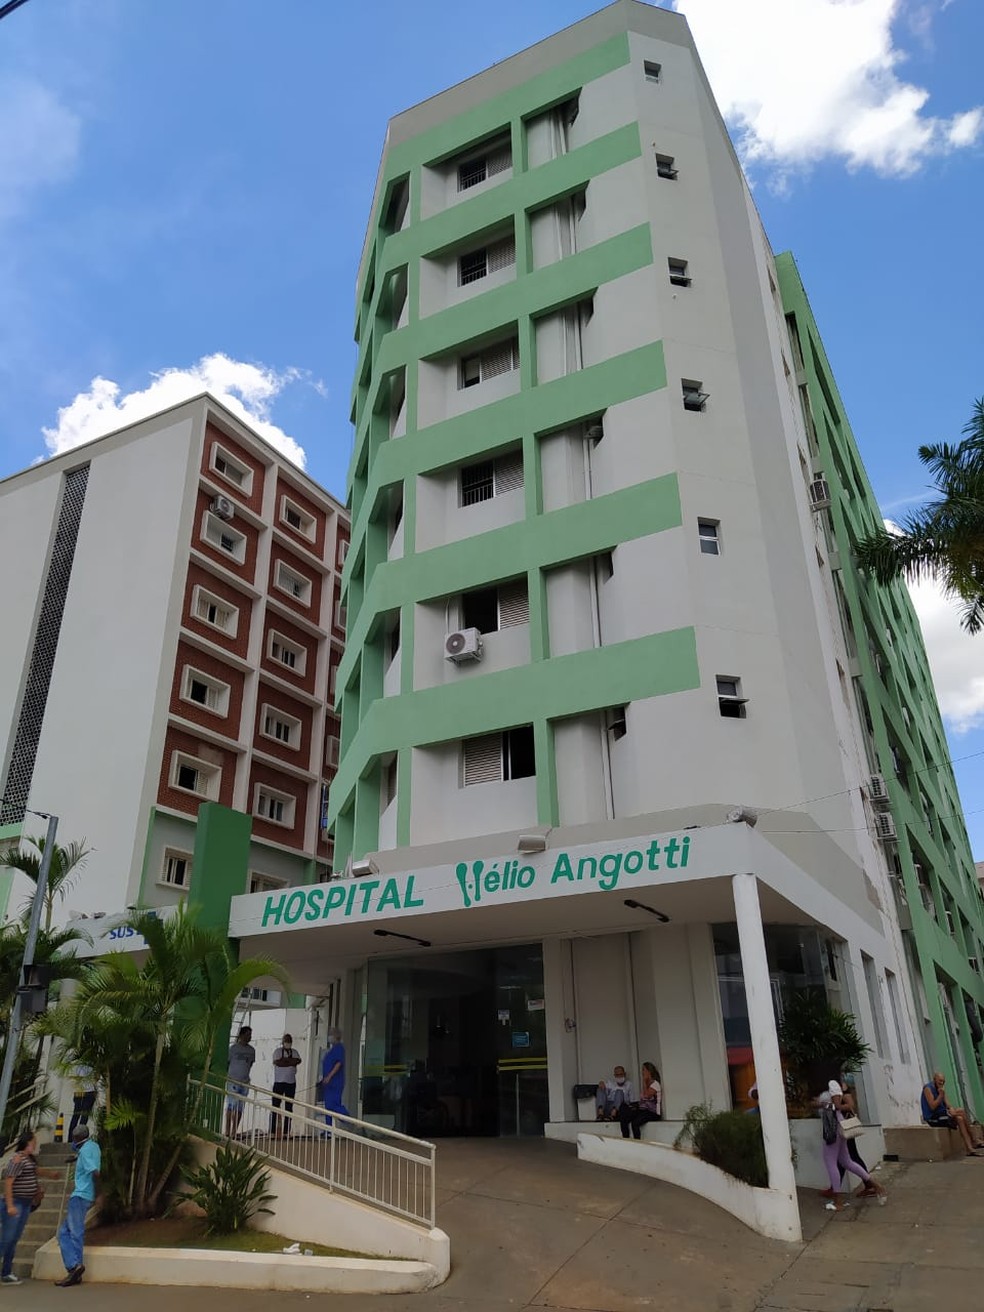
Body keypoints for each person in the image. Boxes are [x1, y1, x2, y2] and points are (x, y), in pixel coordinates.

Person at [2, 1130, 62, 1285]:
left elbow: (36, 1171)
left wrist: (51, 1175)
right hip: (16, 1203)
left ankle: (6, 1272)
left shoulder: (29, 1160)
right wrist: (9, 1205)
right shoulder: (18, 1159)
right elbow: (8, 1182)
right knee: (7, 1239)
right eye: (33, 1142)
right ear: (26, 1143)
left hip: (26, 1204)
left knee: (13, 1239)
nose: (35, 1144)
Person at [818, 1081, 886, 1211]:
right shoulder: (833, 1084)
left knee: (831, 1162)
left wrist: (824, 1105)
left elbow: (837, 1105)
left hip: (833, 1125)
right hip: (838, 1124)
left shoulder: (833, 1084)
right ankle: (875, 1184)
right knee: (846, 1161)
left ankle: (838, 1201)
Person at [55, 1124, 101, 1287]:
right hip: (85, 1195)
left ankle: (75, 1267)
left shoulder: (84, 1150)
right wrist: (75, 1158)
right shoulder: (93, 1146)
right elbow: (88, 1156)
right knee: (63, 1233)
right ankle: (74, 1270)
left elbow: (94, 1171)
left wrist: (99, 1193)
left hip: (81, 1195)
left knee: (74, 1233)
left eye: (74, 1138)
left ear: (78, 1139)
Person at [920, 1071, 983, 1157]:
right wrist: (940, 1096)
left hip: (943, 1115)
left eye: (943, 1081)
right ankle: (974, 1139)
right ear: (934, 1080)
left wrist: (952, 1109)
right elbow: (932, 1106)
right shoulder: (928, 1088)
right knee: (961, 1111)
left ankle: (969, 1148)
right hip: (933, 1118)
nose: (941, 1083)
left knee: (960, 1119)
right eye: (940, 1081)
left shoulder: (941, 1089)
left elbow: (948, 1104)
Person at [224, 1025, 256, 1138]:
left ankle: (234, 1131)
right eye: (247, 1035)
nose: (249, 1037)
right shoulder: (233, 1048)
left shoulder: (251, 1050)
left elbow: (250, 1064)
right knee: (231, 1105)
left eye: (250, 1035)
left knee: (240, 1107)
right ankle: (227, 1130)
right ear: (241, 1035)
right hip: (233, 1080)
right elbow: (227, 1063)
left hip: (245, 1082)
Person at [619, 1062, 662, 1140]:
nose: (642, 1072)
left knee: (635, 1123)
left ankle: (637, 1143)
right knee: (624, 1116)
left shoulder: (655, 1084)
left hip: (652, 1112)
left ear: (649, 1071)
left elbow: (647, 1095)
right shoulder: (647, 1083)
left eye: (643, 1070)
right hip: (643, 1109)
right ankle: (625, 1138)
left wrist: (644, 1081)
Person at [270, 1033, 301, 1137]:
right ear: (283, 1041)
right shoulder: (278, 1051)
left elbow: (298, 1060)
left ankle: (286, 1132)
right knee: (275, 1106)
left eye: (289, 1040)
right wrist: (290, 1062)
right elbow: (278, 1063)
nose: (288, 1042)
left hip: (291, 1083)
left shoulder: (295, 1052)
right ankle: (273, 1131)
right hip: (279, 1082)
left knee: (289, 1107)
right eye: (286, 1040)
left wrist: (286, 1061)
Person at [319, 1028, 349, 1129]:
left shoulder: (339, 1048)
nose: (329, 1037)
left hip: (335, 1082)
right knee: (328, 1107)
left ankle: (348, 1119)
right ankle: (328, 1129)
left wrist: (329, 1076)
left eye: (331, 1034)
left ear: (336, 1036)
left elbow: (338, 1064)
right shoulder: (331, 1050)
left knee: (333, 1104)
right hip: (328, 1084)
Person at [68, 1065, 97, 1140]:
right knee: (83, 1117)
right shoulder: (91, 1064)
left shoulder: (77, 1064)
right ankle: (79, 1138)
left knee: (77, 1116)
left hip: (79, 1092)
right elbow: (96, 1078)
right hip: (87, 1092)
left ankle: (72, 1138)